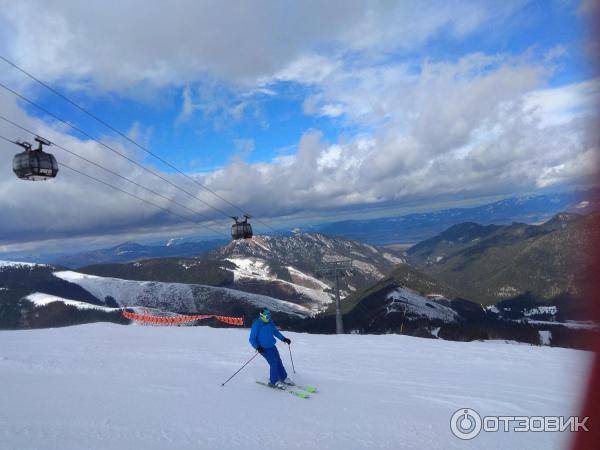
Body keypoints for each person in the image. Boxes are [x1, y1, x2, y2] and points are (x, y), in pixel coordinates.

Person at [249, 308, 292, 388]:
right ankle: (273, 381)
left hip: (272, 346)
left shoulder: (270, 322)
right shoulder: (257, 324)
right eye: (267, 316)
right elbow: (252, 339)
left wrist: (284, 339)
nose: (268, 318)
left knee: (278, 361)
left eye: (269, 316)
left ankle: (283, 377)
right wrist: (257, 347)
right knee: (274, 362)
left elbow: (275, 331)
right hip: (263, 348)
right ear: (262, 316)